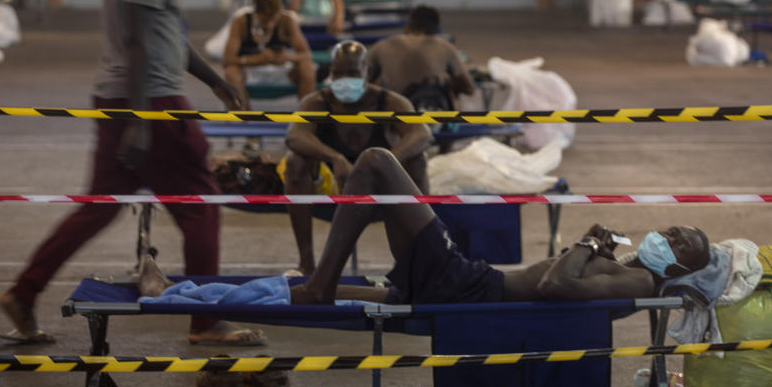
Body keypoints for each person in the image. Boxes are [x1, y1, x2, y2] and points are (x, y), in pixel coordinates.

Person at [0, 0, 265, 346]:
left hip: (118, 96)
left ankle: (23, 292)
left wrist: (216, 83)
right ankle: (205, 322)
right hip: (152, 102)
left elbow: (168, 36)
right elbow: (142, 42)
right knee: (202, 208)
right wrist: (141, 122)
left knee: (97, 208)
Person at [290, 148, 711, 305]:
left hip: (469, 288)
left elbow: (554, 286)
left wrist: (584, 243)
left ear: (677, 271)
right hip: (469, 285)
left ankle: (318, 287)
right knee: (377, 293)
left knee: (375, 162)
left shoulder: (640, 282)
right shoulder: (626, 267)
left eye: (679, 244)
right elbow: (570, 280)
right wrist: (596, 250)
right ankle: (306, 286)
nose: (668, 235)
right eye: (673, 230)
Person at [282, 41, 433, 274]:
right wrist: (335, 158)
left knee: (417, 161)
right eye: (338, 72)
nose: (344, 79)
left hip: (381, 184)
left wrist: (386, 162)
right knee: (295, 162)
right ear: (330, 72)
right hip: (335, 183)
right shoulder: (317, 102)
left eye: (351, 73)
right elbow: (295, 136)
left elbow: (421, 134)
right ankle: (306, 262)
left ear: (367, 71)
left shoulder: (389, 103)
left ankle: (413, 262)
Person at [222, 0, 315, 110]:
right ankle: (244, 117)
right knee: (231, 73)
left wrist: (287, 57)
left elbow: (306, 54)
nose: (270, 25)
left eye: (273, 19)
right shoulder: (241, 22)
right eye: (265, 20)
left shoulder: (287, 20)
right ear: (256, 13)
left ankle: (306, 116)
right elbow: (227, 60)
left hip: (281, 71)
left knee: (307, 67)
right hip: (250, 72)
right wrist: (256, 59)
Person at [367, 5, 474, 111]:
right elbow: (469, 88)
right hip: (434, 115)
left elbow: (363, 84)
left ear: (408, 26)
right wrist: (448, 83)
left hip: (395, 116)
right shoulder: (445, 47)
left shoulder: (382, 46)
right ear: (436, 29)